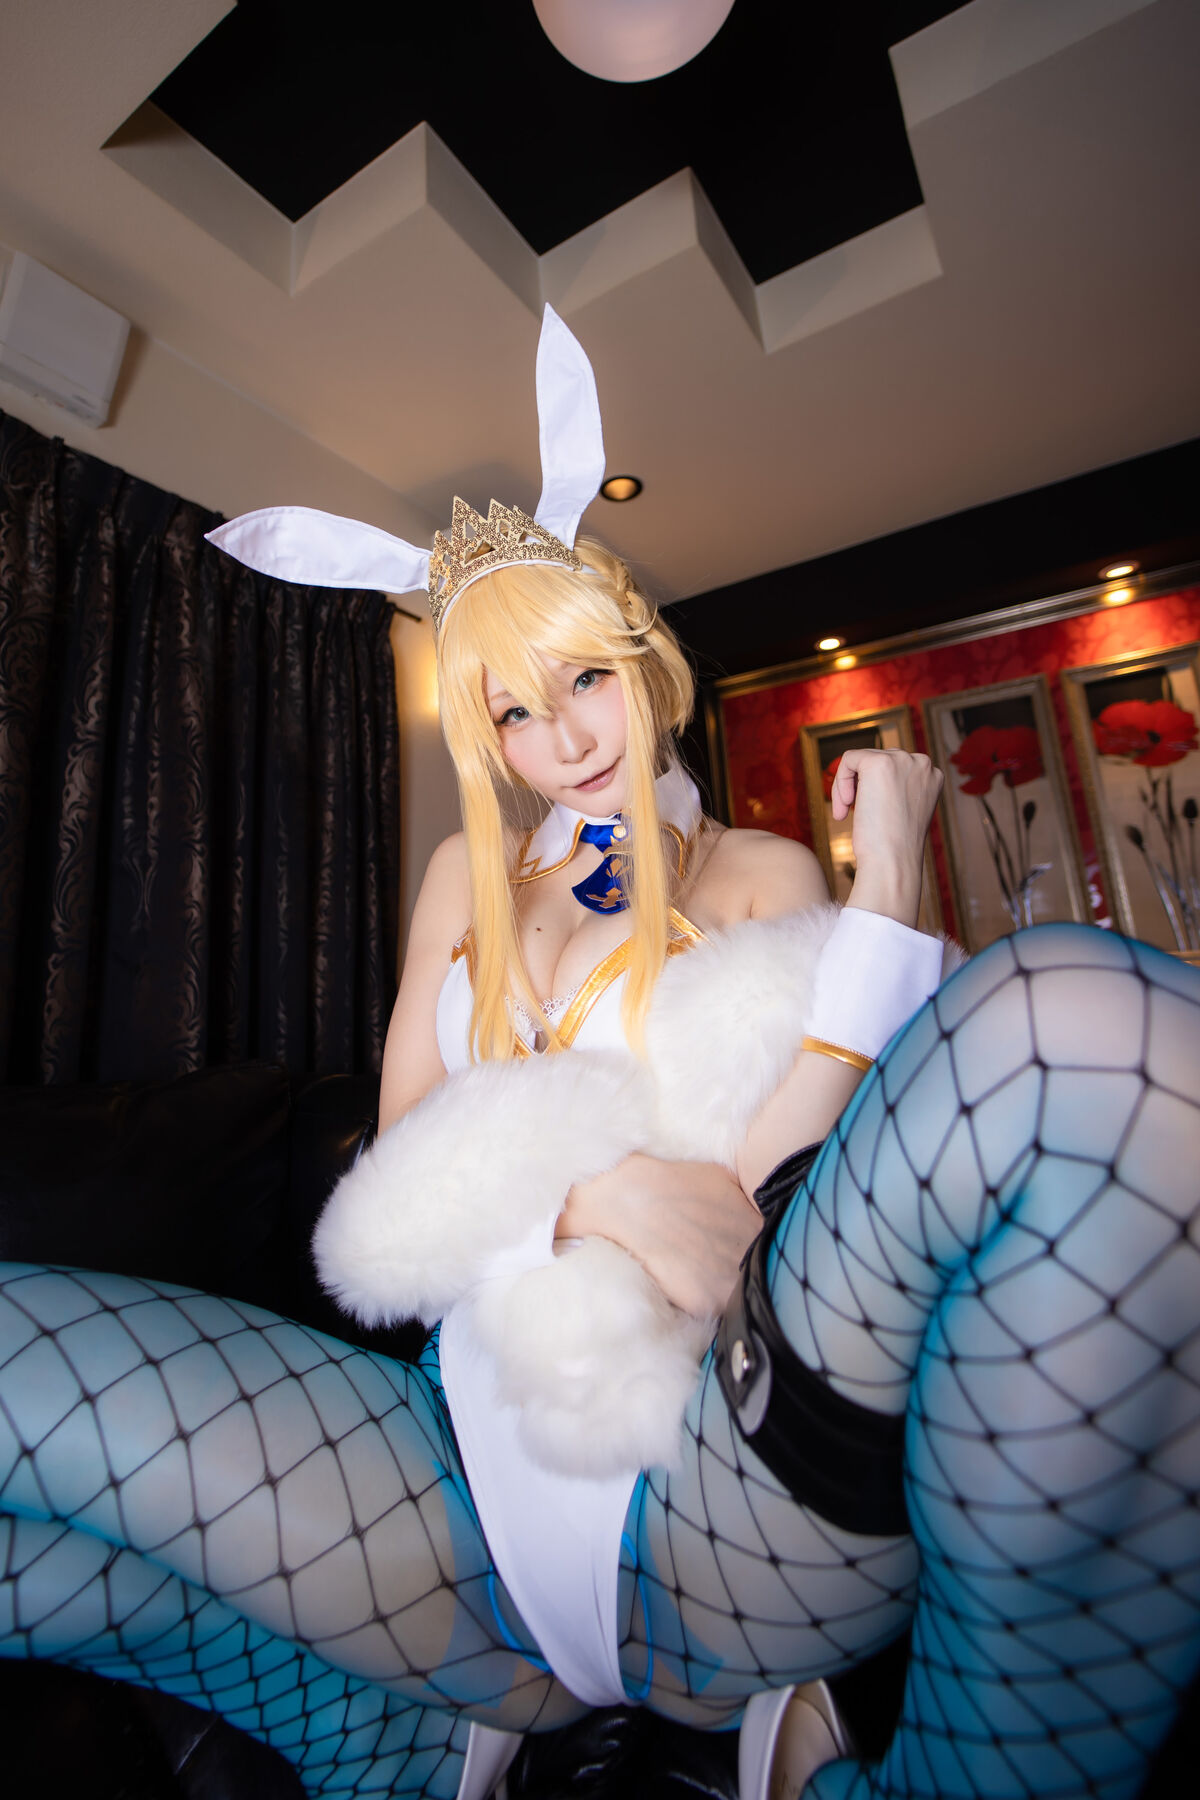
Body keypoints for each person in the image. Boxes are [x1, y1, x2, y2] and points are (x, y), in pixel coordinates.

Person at [1, 310, 1197, 1800]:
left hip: (696, 1471)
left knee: (1081, 1023)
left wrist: (887, 896)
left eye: (582, 680)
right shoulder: (468, 883)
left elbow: (757, 1218)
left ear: (644, 660)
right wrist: (596, 1192)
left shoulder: (757, 874)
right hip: (456, 1467)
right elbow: (387, 1191)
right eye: (513, 709)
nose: (560, 739)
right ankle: (420, 1743)